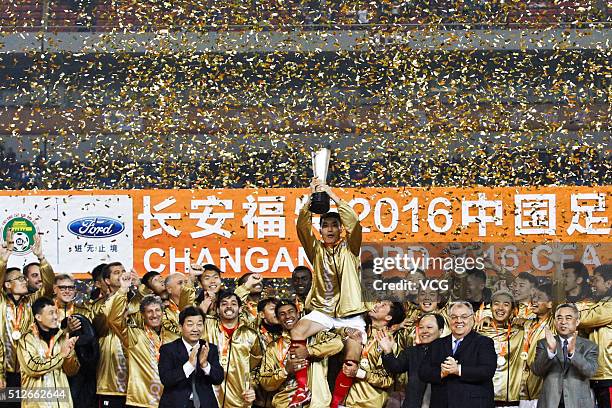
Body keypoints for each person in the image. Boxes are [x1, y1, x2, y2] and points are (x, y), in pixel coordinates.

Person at [290, 178, 367, 408]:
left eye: (335, 225)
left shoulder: (351, 248)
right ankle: (302, 390)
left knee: (352, 355)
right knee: (298, 329)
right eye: (326, 226)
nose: (330, 229)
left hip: (350, 313)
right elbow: (302, 227)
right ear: (321, 230)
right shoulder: (315, 250)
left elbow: (355, 224)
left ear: (340, 229)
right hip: (323, 310)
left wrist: (331, 195)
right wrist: (311, 198)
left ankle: (337, 403)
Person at [0, 232, 54, 408]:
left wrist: (41, 258)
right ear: (7, 284)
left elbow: (48, 283)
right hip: (3, 371)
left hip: (28, 370)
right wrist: (3, 260)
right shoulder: (1, 301)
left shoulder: (31, 301)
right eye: (20, 278)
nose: (25, 281)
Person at [258, 299, 344, 408]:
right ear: (278, 319)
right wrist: (285, 371)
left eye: (291, 312)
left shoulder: (315, 336)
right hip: (285, 404)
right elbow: (265, 382)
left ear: (298, 314)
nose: (288, 316)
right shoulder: (274, 347)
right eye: (282, 314)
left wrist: (309, 351)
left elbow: (338, 343)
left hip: (317, 403)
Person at [419, 301, 497, 408]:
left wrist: (458, 370)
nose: (459, 321)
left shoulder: (484, 342)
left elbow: (487, 371)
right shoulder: (437, 344)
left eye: (464, 317)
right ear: (449, 319)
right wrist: (441, 373)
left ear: (472, 318)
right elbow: (423, 372)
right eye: (454, 317)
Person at [201, 290, 262, 408]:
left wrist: (252, 387)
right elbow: (187, 320)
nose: (229, 306)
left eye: (233, 303)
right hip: (209, 396)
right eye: (224, 303)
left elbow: (257, 368)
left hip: (240, 400)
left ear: (240, 309)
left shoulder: (251, 335)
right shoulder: (206, 325)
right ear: (217, 310)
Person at [531, 303, 599, 408]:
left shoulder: (589, 346)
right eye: (559, 318)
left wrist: (573, 354)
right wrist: (550, 351)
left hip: (578, 404)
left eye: (568, 318)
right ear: (554, 322)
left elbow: (591, 372)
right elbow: (537, 371)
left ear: (577, 322)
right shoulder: (544, 343)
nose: (563, 322)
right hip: (550, 403)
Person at [17, 297, 80, 408]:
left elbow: (72, 371)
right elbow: (33, 368)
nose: (56, 317)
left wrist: (69, 354)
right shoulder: (26, 339)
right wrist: (61, 355)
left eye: (56, 312)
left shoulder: (62, 337)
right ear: (38, 317)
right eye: (51, 313)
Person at [341, 300, 405, 407]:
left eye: (383, 305)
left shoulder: (389, 343)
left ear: (388, 317)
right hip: (346, 399)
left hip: (368, 403)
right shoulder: (360, 330)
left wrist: (359, 373)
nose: (376, 305)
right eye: (378, 303)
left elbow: (388, 380)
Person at [158, 306, 224, 408]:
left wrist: (205, 364)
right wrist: (189, 365)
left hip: (205, 404)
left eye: (199, 324)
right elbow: (166, 379)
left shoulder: (209, 348)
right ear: (180, 327)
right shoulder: (168, 349)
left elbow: (218, 379)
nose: (195, 329)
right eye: (190, 324)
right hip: (175, 404)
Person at [380, 313, 446, 408]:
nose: (424, 331)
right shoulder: (412, 352)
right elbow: (395, 367)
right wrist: (387, 351)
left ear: (441, 331)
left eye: (429, 327)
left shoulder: (449, 352)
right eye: (421, 327)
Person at [90, 262, 130, 408]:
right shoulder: (97, 305)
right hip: (110, 373)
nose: (122, 274)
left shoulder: (136, 302)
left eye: (124, 271)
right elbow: (101, 326)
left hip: (136, 376)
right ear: (107, 281)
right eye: (117, 272)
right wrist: (119, 296)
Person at [476, 290, 524, 407]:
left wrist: (525, 321)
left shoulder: (521, 331)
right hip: (484, 398)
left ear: (513, 310)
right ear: (490, 307)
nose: (500, 308)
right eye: (496, 303)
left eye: (506, 304)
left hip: (512, 401)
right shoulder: (478, 332)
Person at [578, 264, 611, 408]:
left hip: (608, 375)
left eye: (596, 280)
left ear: (609, 283)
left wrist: (569, 314)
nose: (592, 284)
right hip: (596, 374)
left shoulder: (610, 305)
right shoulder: (600, 303)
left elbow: (585, 319)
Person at [520, 282, 555, 407]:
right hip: (523, 390)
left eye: (539, 298)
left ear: (550, 303)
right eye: (533, 297)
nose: (534, 300)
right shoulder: (526, 324)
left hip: (543, 390)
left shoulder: (554, 324)